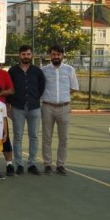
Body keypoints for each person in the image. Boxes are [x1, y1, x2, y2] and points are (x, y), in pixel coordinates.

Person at [41, 44, 79, 176]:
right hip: (47, 107)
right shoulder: (44, 70)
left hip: (64, 108)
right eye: (53, 54)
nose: (56, 56)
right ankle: (47, 164)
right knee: (47, 138)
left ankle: (61, 164)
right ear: (50, 55)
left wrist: (63, 97)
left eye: (58, 54)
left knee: (64, 138)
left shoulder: (70, 70)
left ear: (63, 55)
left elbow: (74, 88)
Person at [8, 45, 45, 175]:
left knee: (34, 136)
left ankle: (32, 164)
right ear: (19, 55)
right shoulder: (13, 71)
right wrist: (9, 106)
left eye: (28, 54)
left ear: (32, 55)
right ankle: (19, 164)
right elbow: (9, 88)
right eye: (23, 54)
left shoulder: (37, 71)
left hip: (34, 107)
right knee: (18, 137)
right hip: (18, 107)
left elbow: (41, 88)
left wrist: (34, 98)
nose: (26, 56)